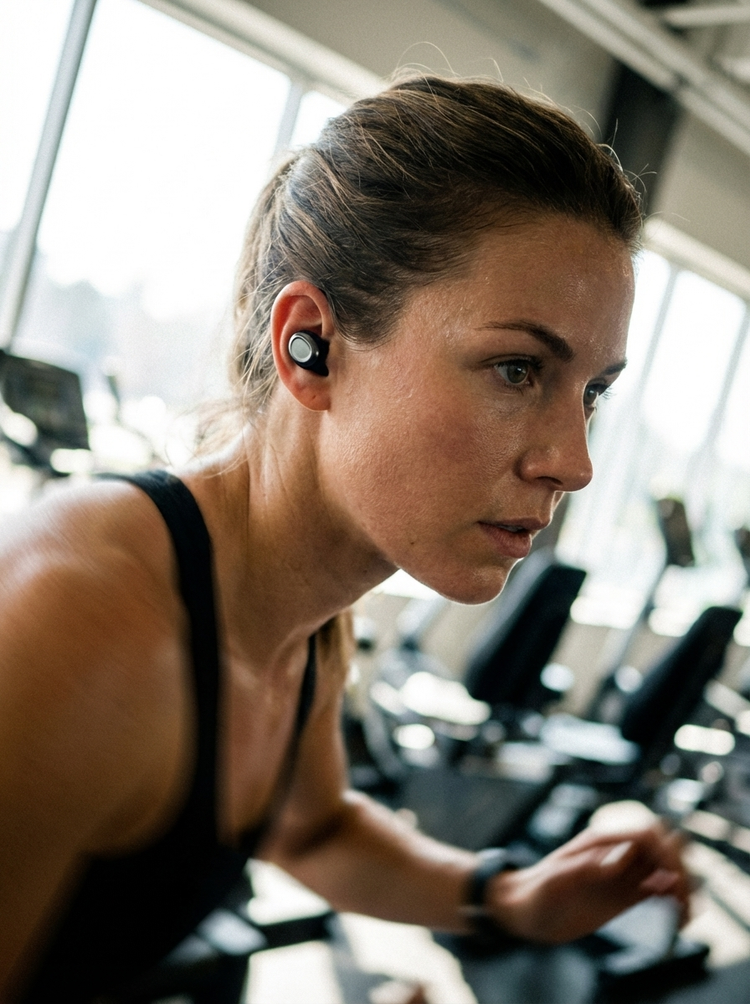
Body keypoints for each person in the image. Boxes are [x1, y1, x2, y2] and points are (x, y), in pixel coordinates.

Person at [0, 74, 689, 1003]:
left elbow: (311, 830)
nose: (575, 462)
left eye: (592, 392)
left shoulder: (303, 618)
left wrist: (512, 898)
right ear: (310, 344)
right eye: (518, 368)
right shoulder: (85, 620)